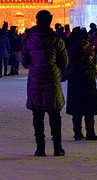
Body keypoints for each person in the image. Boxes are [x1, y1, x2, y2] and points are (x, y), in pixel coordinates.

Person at [22, 10, 69, 157]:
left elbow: (24, 62)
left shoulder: (29, 41)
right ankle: (57, 147)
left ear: (36, 20)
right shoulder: (57, 40)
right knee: (54, 115)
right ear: (50, 21)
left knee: (37, 116)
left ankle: (40, 147)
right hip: (52, 80)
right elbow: (64, 62)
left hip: (36, 80)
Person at [65, 27, 97, 141]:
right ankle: (90, 132)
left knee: (76, 107)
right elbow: (94, 64)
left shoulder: (70, 48)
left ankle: (77, 132)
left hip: (75, 79)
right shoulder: (90, 48)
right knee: (89, 107)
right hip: (88, 80)